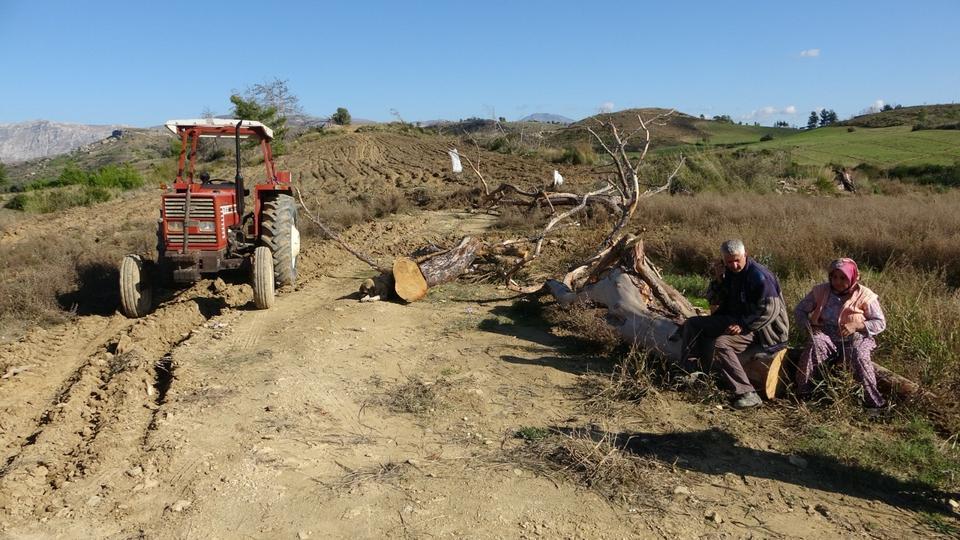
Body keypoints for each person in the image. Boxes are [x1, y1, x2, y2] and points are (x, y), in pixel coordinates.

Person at [679, 240, 790, 409]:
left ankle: (747, 393)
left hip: (763, 330)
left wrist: (744, 325)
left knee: (720, 344)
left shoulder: (759, 275)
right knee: (692, 324)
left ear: (745, 254)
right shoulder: (728, 273)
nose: (734, 265)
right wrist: (718, 279)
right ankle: (692, 372)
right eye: (729, 261)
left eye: (737, 260)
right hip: (734, 319)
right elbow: (713, 300)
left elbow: (770, 310)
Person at [794, 258, 886, 411]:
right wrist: (809, 328)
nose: (837, 281)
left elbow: (880, 322)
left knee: (859, 354)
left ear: (853, 277)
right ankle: (804, 394)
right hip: (826, 335)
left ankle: (874, 403)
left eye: (842, 278)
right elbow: (800, 310)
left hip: (856, 338)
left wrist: (857, 325)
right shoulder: (820, 291)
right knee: (815, 344)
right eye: (834, 277)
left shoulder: (865, 295)